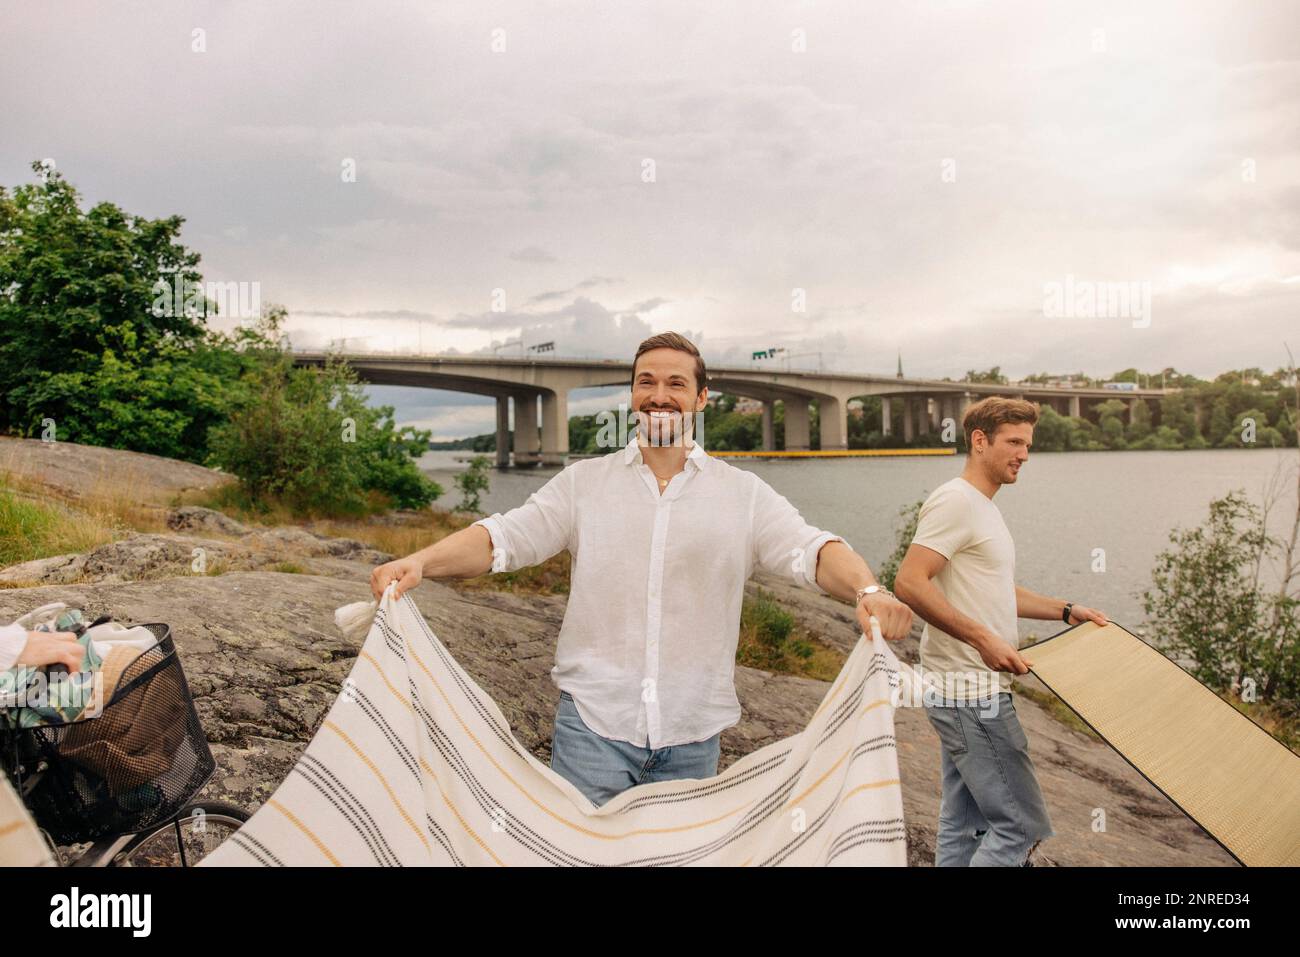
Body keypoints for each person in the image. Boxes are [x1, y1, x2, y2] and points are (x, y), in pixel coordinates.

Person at [371, 331, 912, 807]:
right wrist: (420, 561)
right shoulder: (585, 484)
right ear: (632, 395)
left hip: (693, 738)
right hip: (592, 732)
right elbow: (504, 540)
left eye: (676, 384)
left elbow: (810, 550)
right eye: (645, 382)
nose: (659, 395)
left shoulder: (742, 495)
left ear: (701, 398)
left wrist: (868, 587)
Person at [893, 396, 1108, 867]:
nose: (1024, 455)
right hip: (971, 692)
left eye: (1028, 444)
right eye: (1014, 442)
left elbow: (996, 591)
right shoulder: (956, 501)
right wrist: (984, 639)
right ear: (979, 440)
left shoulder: (983, 508)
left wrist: (1066, 610)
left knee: (964, 823)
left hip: (962, 689)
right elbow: (909, 581)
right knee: (1020, 826)